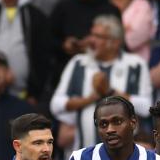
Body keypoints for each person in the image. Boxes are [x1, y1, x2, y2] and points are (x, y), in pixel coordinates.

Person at [51, 15, 153, 151]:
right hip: (84, 153)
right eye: (92, 35)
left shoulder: (135, 64)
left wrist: (110, 92)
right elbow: (55, 104)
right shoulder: (78, 63)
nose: (91, 40)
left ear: (115, 42)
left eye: (98, 37)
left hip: (125, 156)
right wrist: (90, 99)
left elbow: (146, 107)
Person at [49, 0, 120, 72]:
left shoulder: (111, 11)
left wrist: (96, 43)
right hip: (66, 70)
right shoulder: (64, 7)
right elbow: (48, 39)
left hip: (102, 71)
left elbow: (119, 44)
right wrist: (64, 44)